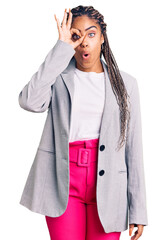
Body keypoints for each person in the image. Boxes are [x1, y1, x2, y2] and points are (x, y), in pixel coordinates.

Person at [18, 5, 148, 240]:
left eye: (91, 33)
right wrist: (62, 48)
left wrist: (138, 210)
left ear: (102, 38)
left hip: (109, 187)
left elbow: (133, 149)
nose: (85, 42)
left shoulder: (126, 84)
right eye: (77, 36)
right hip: (63, 182)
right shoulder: (57, 78)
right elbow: (29, 101)